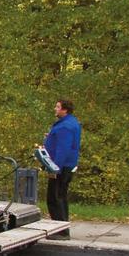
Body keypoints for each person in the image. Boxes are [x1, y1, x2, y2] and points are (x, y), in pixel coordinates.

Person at [42, 99, 81, 234]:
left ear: (65, 110)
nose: (55, 109)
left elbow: (63, 149)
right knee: (60, 197)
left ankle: (60, 232)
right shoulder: (70, 122)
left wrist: (54, 168)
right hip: (66, 165)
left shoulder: (65, 126)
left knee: (54, 198)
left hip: (61, 167)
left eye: (57, 107)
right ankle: (62, 229)